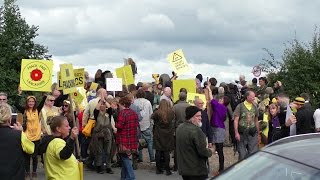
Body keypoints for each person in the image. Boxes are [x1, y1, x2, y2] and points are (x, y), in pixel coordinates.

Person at [15, 87, 45, 179]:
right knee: (27, 156)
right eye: (29, 101)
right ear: (27, 102)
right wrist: (19, 94)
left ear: (35, 103)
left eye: (33, 101)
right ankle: (27, 172)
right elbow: (16, 104)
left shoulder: (37, 110)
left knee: (35, 156)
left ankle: (34, 172)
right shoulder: (24, 110)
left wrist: (44, 93)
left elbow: (43, 101)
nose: (31, 103)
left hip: (36, 136)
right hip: (27, 136)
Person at [176, 106, 213, 180]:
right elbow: (202, 151)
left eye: (200, 116)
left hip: (184, 168)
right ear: (191, 117)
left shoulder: (180, 128)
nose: (200, 118)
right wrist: (210, 151)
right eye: (197, 116)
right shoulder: (196, 131)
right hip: (196, 170)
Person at [0, 103, 35, 180]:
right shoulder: (18, 134)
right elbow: (31, 149)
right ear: (9, 117)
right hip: (15, 175)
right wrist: (22, 132)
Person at [116, 96, 139, 180]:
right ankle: (124, 177)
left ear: (124, 104)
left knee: (125, 158)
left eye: (120, 105)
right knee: (124, 158)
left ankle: (131, 177)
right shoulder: (134, 113)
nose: (119, 107)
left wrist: (115, 124)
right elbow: (137, 125)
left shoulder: (122, 113)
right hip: (132, 139)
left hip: (124, 139)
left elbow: (119, 126)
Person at [234, 90, 260, 160]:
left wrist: (258, 133)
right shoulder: (240, 106)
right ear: (248, 97)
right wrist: (236, 133)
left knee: (253, 153)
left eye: (254, 97)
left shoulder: (255, 106)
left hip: (252, 133)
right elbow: (236, 120)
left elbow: (256, 120)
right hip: (242, 133)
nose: (254, 98)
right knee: (242, 154)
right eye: (252, 97)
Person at [151, 99, 175, 175]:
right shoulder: (171, 112)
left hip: (158, 133)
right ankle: (167, 169)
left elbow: (151, 117)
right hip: (168, 133)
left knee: (158, 151)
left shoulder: (157, 112)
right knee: (166, 151)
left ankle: (158, 169)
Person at [90, 99, 114, 174]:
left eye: (104, 104)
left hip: (108, 135)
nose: (102, 105)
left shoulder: (108, 113)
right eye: (101, 104)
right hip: (98, 135)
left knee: (108, 151)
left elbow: (110, 108)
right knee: (99, 151)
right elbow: (96, 109)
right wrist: (100, 101)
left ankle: (108, 167)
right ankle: (99, 166)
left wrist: (105, 101)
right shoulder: (97, 113)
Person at [133, 89, 155, 163]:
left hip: (137, 125)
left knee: (138, 142)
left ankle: (140, 158)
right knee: (149, 142)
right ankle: (152, 158)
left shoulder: (134, 102)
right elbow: (151, 114)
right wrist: (151, 123)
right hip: (146, 124)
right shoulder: (147, 102)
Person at [210, 95, 230, 173]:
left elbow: (212, 100)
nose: (219, 100)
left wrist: (208, 89)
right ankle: (221, 167)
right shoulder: (223, 108)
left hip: (218, 129)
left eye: (221, 99)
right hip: (219, 128)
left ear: (224, 101)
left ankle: (221, 168)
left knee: (220, 149)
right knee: (219, 149)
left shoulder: (220, 106)